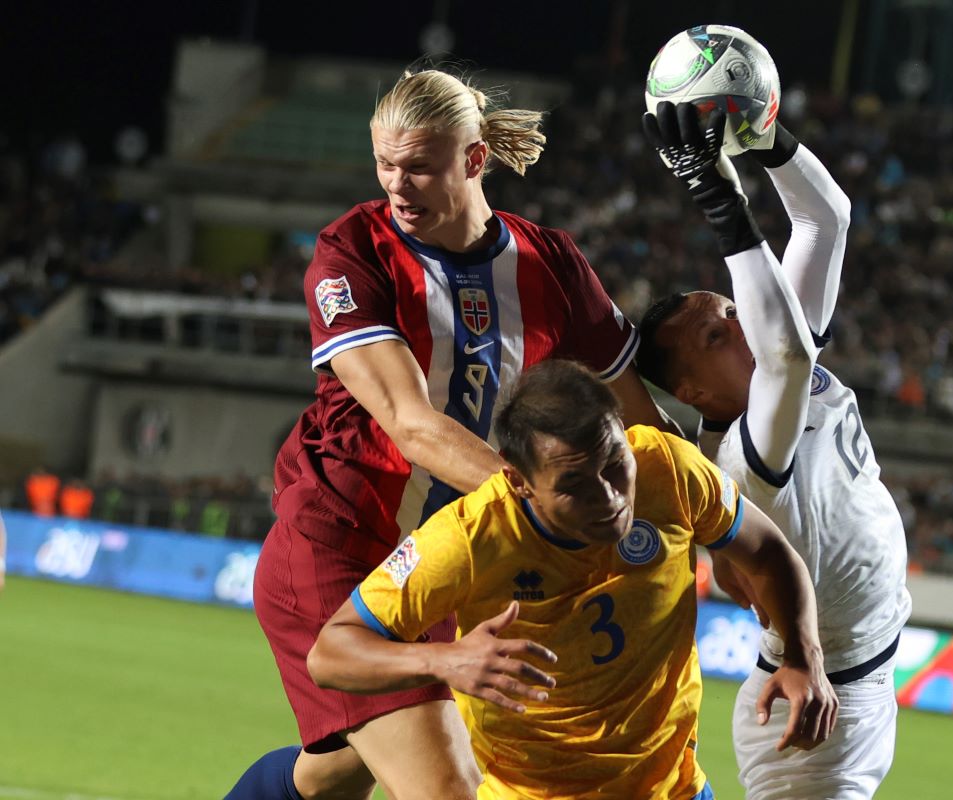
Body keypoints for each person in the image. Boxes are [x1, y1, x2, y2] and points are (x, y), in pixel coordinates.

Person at [228, 69, 671, 800]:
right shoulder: (352, 252)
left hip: (448, 568)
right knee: (449, 790)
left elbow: (639, 426)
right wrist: (546, 513)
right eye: (385, 165)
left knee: (338, 771)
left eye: (420, 167)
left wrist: (699, 520)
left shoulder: (551, 264)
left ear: (473, 160)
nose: (397, 186)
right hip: (339, 548)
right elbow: (412, 425)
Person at [307, 359, 837, 800]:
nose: (609, 497)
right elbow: (330, 653)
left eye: (614, 464)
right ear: (518, 481)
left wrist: (802, 653)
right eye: (574, 484)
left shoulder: (667, 469)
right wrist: (442, 660)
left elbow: (769, 552)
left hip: (673, 790)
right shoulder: (468, 539)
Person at [637, 101, 911, 799]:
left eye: (731, 311)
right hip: (812, 708)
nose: (738, 324)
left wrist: (765, 137)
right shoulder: (739, 458)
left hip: (859, 680)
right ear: (694, 392)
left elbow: (828, 219)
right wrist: (713, 189)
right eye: (715, 335)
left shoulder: (776, 363)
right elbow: (787, 352)